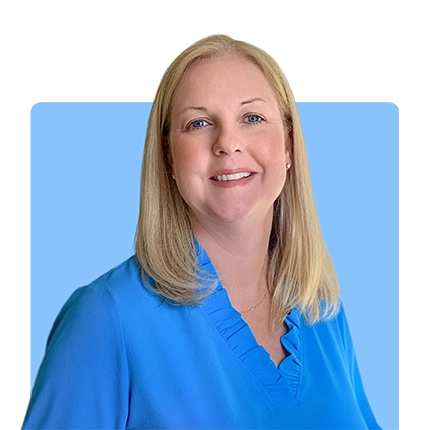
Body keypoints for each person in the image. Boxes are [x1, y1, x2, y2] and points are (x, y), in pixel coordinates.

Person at [22, 34, 381, 429]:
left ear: (289, 146)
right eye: (199, 123)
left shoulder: (322, 309)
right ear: (168, 157)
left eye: (252, 118)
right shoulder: (106, 318)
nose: (228, 143)